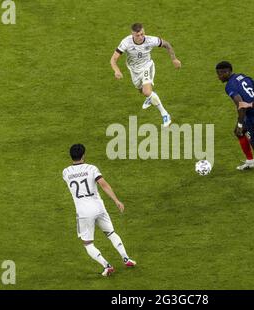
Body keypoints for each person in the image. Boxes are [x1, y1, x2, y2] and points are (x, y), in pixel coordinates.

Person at [62, 144, 137, 277]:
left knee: (87, 243)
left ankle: (107, 266)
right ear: (83, 155)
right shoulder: (92, 168)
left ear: (71, 156)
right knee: (111, 233)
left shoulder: (66, 172)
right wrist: (116, 200)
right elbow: (103, 185)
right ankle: (126, 259)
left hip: (83, 212)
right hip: (99, 207)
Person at [110, 23, 181, 127]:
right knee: (141, 91)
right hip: (134, 70)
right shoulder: (126, 42)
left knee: (147, 91)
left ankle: (165, 115)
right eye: (137, 35)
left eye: (142, 34)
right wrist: (116, 70)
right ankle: (150, 98)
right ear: (132, 34)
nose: (140, 37)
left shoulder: (150, 40)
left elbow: (167, 45)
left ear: (144, 32)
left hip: (147, 66)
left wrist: (174, 59)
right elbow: (113, 59)